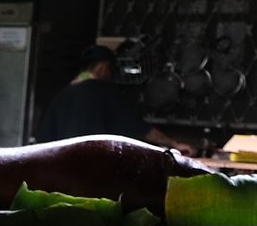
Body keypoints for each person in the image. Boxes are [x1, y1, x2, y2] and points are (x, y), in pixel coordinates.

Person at [37, 45, 196, 156]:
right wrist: (174, 145)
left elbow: (43, 141)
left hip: (64, 170)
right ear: (103, 67)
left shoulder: (61, 96)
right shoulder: (104, 92)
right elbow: (139, 129)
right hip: (94, 170)